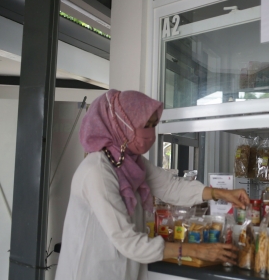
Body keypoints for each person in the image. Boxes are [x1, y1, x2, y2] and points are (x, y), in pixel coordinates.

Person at [55, 90, 250, 280]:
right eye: (143, 125)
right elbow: (128, 241)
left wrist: (221, 193)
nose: (149, 133)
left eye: (153, 125)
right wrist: (196, 250)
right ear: (122, 125)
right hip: (90, 272)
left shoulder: (129, 163)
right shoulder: (97, 171)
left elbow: (170, 187)